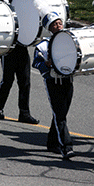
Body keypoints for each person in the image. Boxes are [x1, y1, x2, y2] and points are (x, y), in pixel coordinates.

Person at [0, 0, 39, 125]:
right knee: (8, 80)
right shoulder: (2, 3)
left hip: (22, 46)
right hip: (8, 48)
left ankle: (24, 113)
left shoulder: (24, 3)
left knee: (25, 81)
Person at [32, 11, 74, 159]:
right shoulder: (43, 46)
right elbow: (35, 63)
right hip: (53, 82)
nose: (58, 25)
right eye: (55, 24)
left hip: (68, 80)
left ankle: (52, 142)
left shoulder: (70, 39)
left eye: (60, 23)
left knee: (60, 113)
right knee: (60, 115)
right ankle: (66, 147)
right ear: (49, 28)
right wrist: (46, 64)